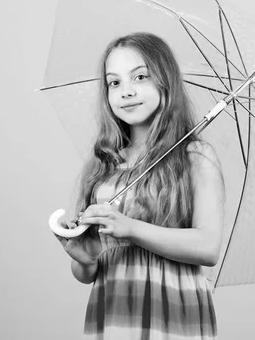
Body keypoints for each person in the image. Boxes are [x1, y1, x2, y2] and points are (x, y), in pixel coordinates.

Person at [54, 32, 225, 339]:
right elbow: (88, 273)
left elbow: (208, 247)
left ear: (165, 81)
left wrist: (130, 228)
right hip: (115, 312)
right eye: (114, 82)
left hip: (173, 312)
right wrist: (84, 256)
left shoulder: (194, 157)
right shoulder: (102, 165)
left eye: (140, 77)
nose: (126, 91)